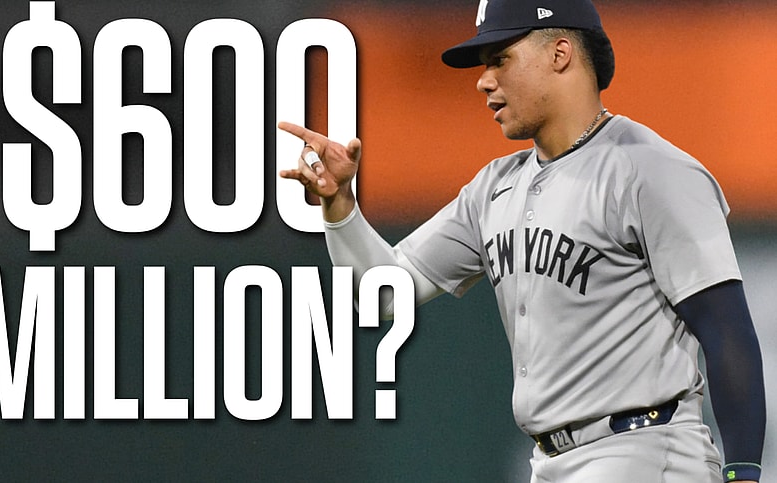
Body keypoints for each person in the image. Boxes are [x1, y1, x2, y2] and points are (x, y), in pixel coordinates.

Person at [279, 0, 766, 481]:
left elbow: (727, 331)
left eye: (500, 59)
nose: (483, 80)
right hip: (549, 463)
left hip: (644, 451)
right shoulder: (494, 189)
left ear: (560, 54)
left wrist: (742, 473)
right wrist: (340, 205)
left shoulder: (651, 170)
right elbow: (385, 293)